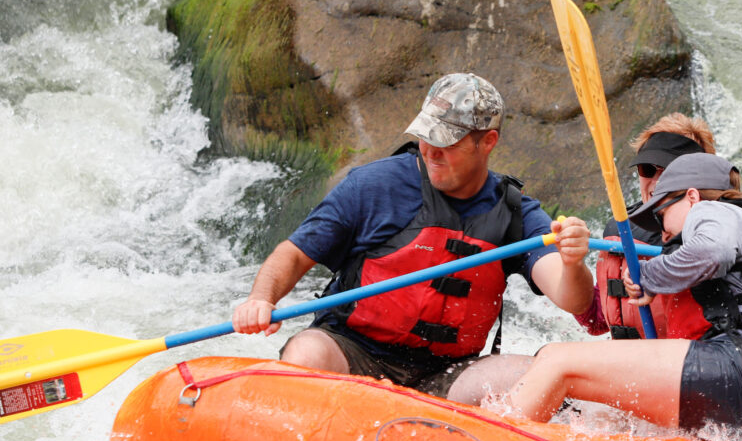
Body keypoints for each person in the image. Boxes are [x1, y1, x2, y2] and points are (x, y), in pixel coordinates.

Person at [231, 73, 594, 402]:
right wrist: (261, 299)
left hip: (449, 374)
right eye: (426, 137)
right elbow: (293, 254)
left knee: (540, 374)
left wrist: (572, 262)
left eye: (447, 142)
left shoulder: (516, 213)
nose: (431, 151)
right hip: (352, 350)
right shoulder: (373, 186)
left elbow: (573, 299)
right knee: (306, 353)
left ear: (488, 142)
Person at [506, 153, 742, 438]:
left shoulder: (714, 211)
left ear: (692, 197)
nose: (663, 231)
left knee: (557, 360)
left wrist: (650, 276)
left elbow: (712, 251)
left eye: (661, 214)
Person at [575, 113, 716, 338]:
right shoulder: (620, 230)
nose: (658, 181)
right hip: (631, 363)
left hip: (690, 364)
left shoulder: (718, 231)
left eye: (670, 171)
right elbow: (596, 321)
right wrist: (572, 263)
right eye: (648, 170)